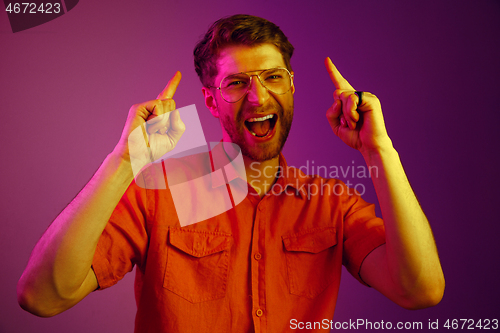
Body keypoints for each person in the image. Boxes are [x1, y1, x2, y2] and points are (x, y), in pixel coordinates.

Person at [17, 14, 444, 332]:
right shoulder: (158, 193)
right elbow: (42, 297)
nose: (258, 97)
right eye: (237, 83)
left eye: (272, 77)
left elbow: (420, 290)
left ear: (291, 86)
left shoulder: (331, 202)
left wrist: (378, 149)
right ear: (210, 100)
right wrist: (125, 161)